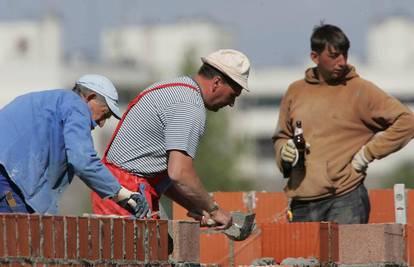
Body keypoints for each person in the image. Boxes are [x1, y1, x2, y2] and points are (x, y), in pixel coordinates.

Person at [91, 49, 251, 229]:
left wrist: (195, 205)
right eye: (232, 95)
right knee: (127, 255)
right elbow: (180, 173)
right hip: (127, 192)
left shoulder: (177, 88)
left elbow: (162, 175)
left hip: (121, 188)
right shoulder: (190, 105)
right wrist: (213, 209)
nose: (231, 104)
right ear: (216, 83)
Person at [272, 24, 414, 224]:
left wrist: (366, 155)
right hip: (302, 200)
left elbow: (407, 121)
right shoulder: (295, 91)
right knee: (301, 257)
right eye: (334, 56)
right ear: (315, 57)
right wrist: (283, 152)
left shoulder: (360, 90)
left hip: (346, 198)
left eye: (345, 55)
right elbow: (281, 135)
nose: (342, 62)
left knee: (346, 256)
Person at [0, 74, 149, 217]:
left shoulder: (54, 102)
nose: (102, 123)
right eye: (104, 114)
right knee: (17, 239)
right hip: (7, 179)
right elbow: (83, 161)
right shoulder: (77, 106)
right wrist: (121, 194)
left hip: (8, 175)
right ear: (90, 98)